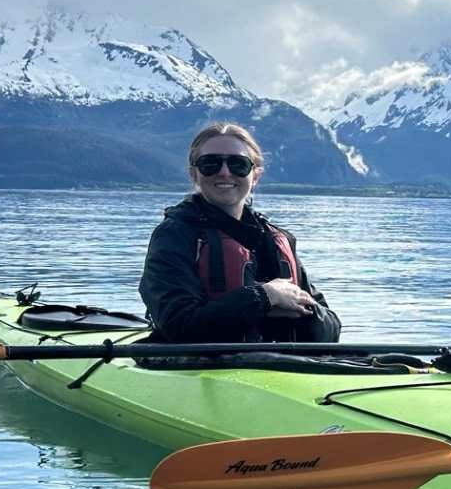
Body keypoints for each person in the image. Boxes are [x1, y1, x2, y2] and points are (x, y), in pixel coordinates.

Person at [139, 122, 341, 344]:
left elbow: (332, 328)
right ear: (194, 174)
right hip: (204, 369)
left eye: (238, 164)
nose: (225, 173)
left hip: (281, 367)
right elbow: (178, 325)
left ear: (255, 176)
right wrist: (266, 297)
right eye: (210, 164)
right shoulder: (174, 236)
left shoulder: (277, 239)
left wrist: (302, 311)